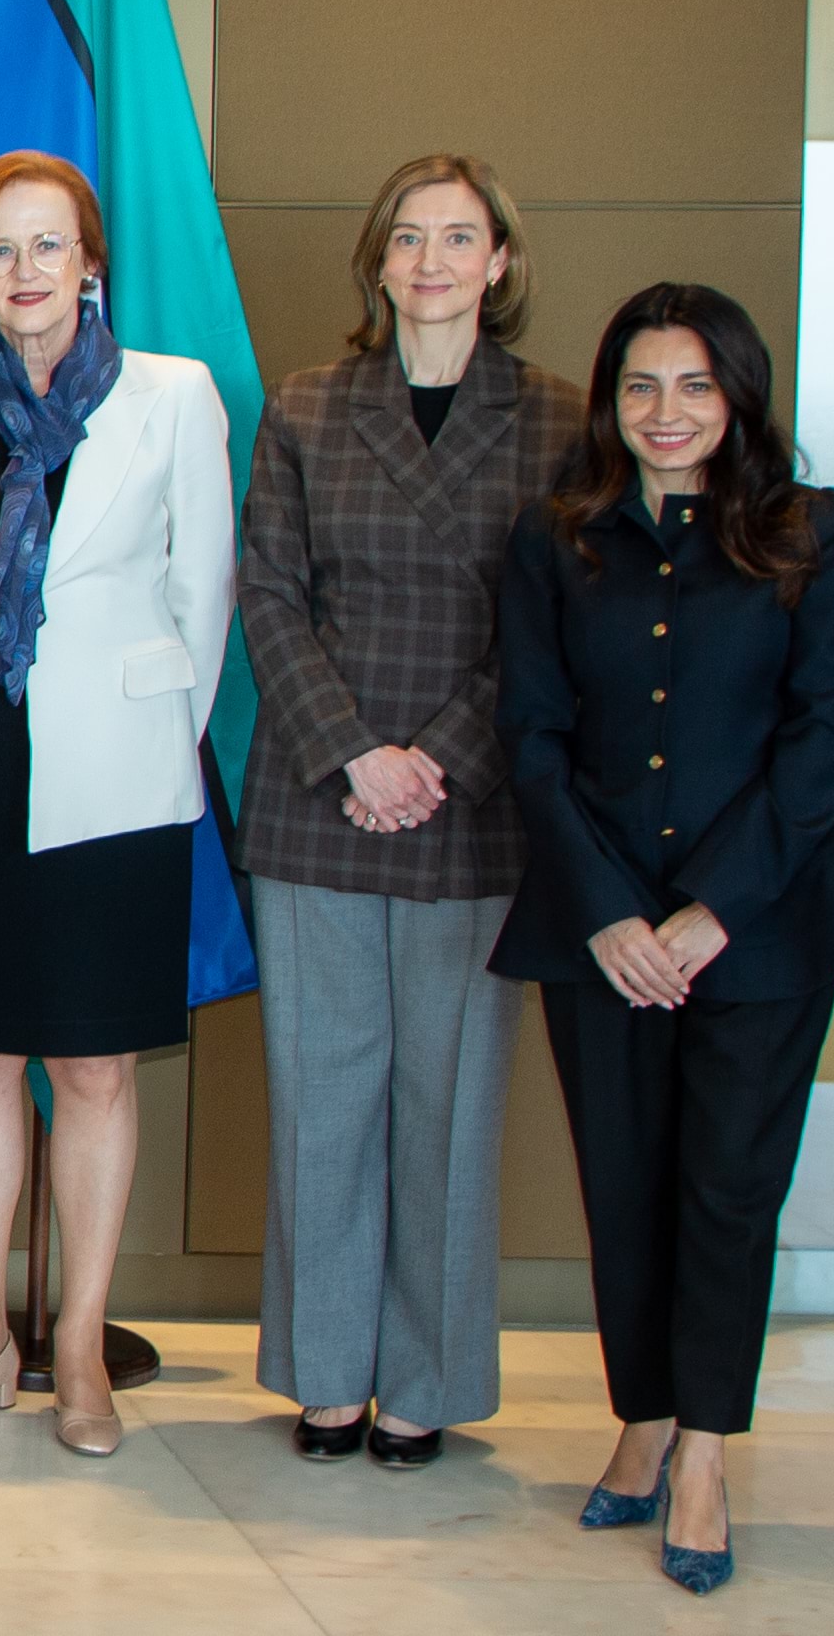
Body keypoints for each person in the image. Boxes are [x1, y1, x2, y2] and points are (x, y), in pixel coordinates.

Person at [496, 281, 834, 1595]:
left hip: (759, 924)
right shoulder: (552, 536)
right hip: (600, 920)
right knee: (621, 1182)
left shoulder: (810, 532)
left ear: (736, 392)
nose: (661, 412)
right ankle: (642, 1411)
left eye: (690, 385)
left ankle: (702, 1452)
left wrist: (707, 911)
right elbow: (532, 737)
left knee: (726, 1189)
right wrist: (614, 911)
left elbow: (815, 744)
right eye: (636, 385)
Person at [229, 155, 580, 1468]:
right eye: (406, 237)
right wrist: (351, 753)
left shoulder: (556, 419)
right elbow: (264, 590)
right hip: (317, 803)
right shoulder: (309, 407)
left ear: (498, 261)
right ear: (374, 264)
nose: (429, 259)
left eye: (458, 236)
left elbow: (554, 619)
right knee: (321, 1100)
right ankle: (322, 1371)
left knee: (447, 1104)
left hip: (470, 806)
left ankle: (423, 1380)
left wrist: (434, 754)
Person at [0, 149, 230, 1463]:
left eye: (46, 247)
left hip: (114, 783)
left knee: (90, 1065)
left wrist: (143, 739)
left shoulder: (170, 398)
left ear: (90, 262)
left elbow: (202, 589)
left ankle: (76, 1337)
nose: (22, 272)